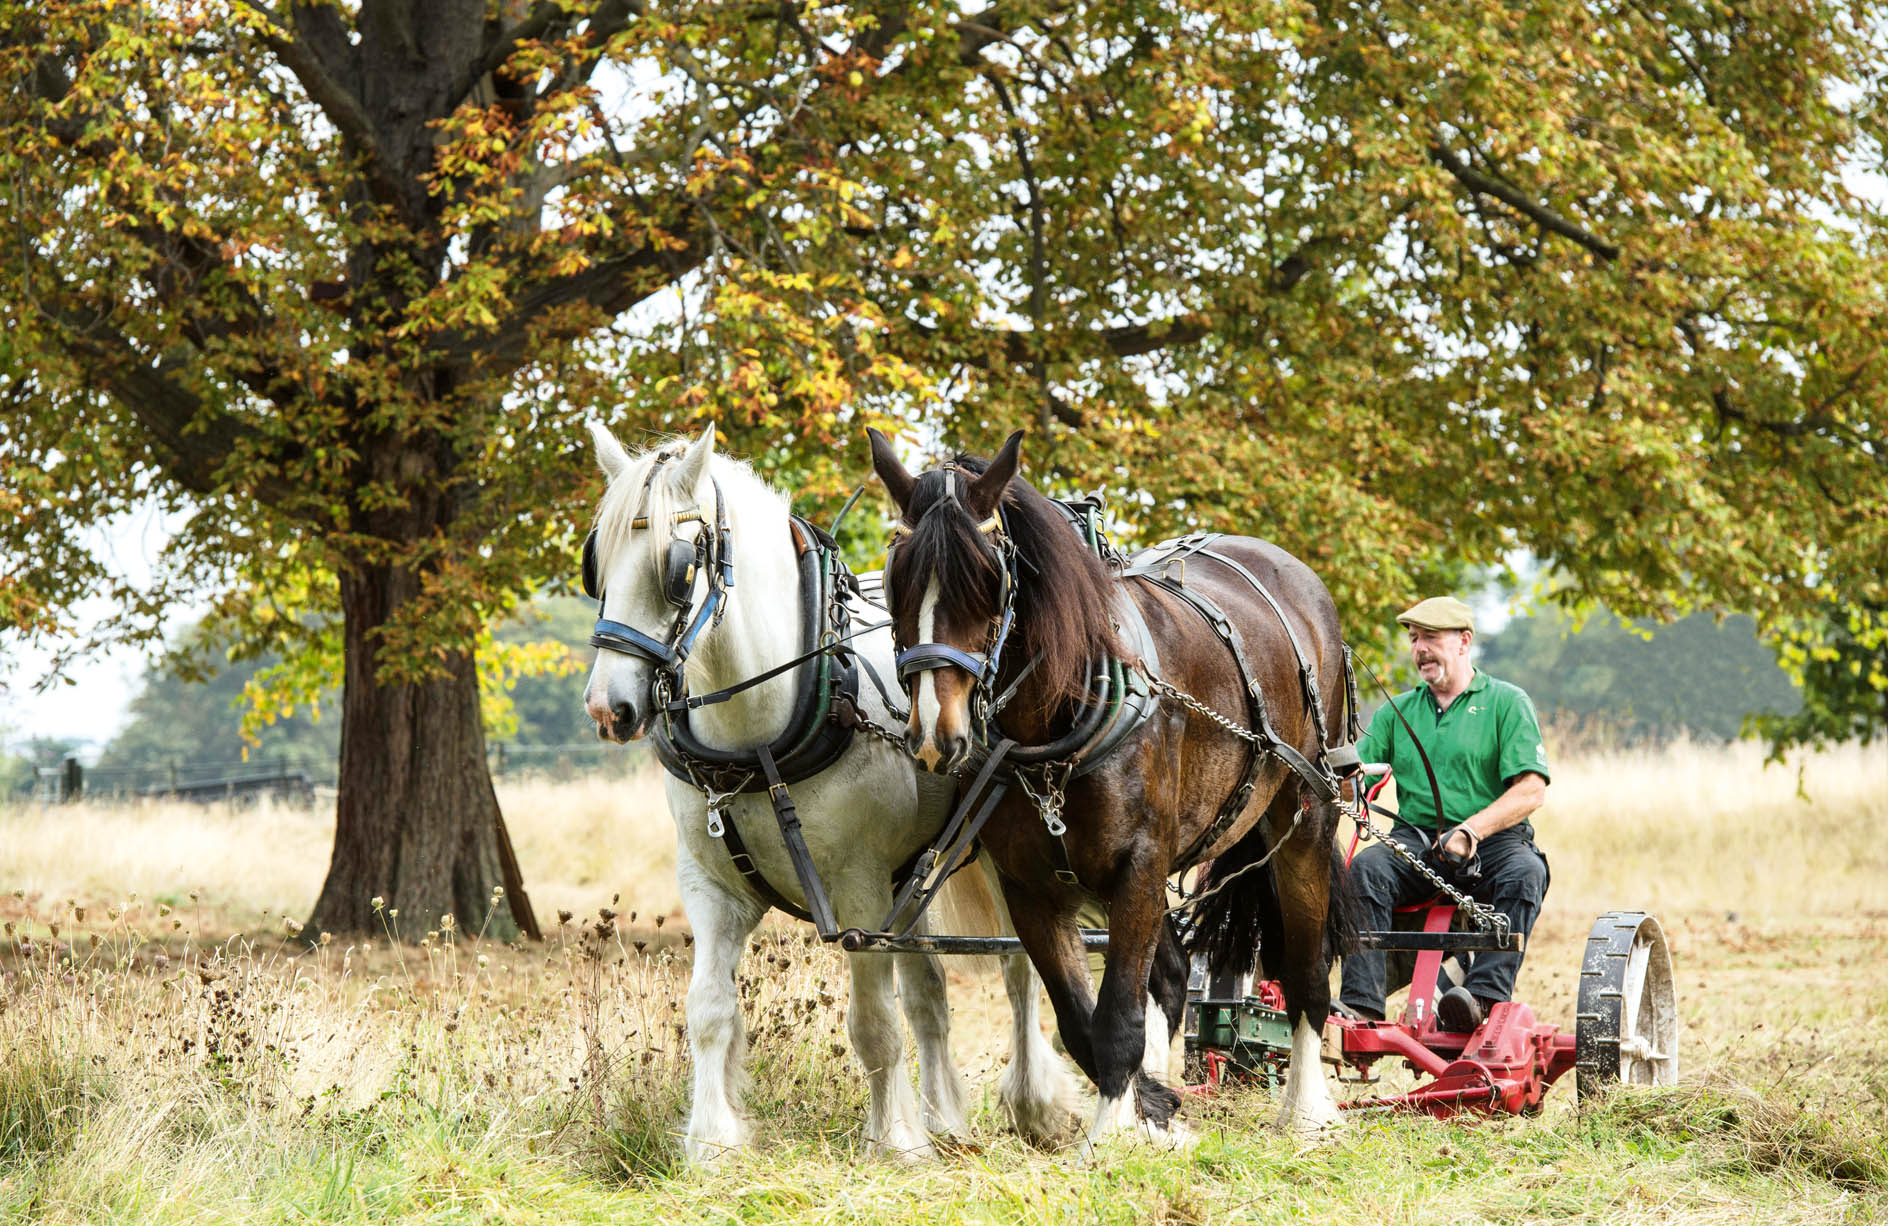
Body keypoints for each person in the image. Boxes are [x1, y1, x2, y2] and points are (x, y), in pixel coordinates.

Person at [1336, 596, 1552, 1033]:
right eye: (1414, 639)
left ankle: (1479, 1001)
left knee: (1526, 872)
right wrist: (1344, 773)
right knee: (1366, 869)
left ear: (1463, 642)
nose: (1420, 649)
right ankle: (1361, 1010)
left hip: (1494, 842)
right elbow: (1355, 777)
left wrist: (1471, 831)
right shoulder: (1399, 711)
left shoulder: (1506, 702)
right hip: (1418, 842)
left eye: (1431, 638)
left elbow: (1531, 790)